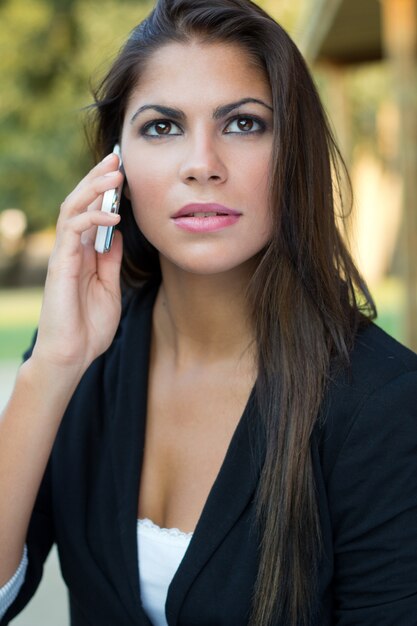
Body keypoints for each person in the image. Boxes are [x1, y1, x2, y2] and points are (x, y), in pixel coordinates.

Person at [1, 0, 417, 624]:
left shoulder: (383, 403)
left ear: (293, 154)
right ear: (114, 167)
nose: (202, 164)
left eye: (243, 124)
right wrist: (51, 368)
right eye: (162, 127)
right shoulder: (78, 355)